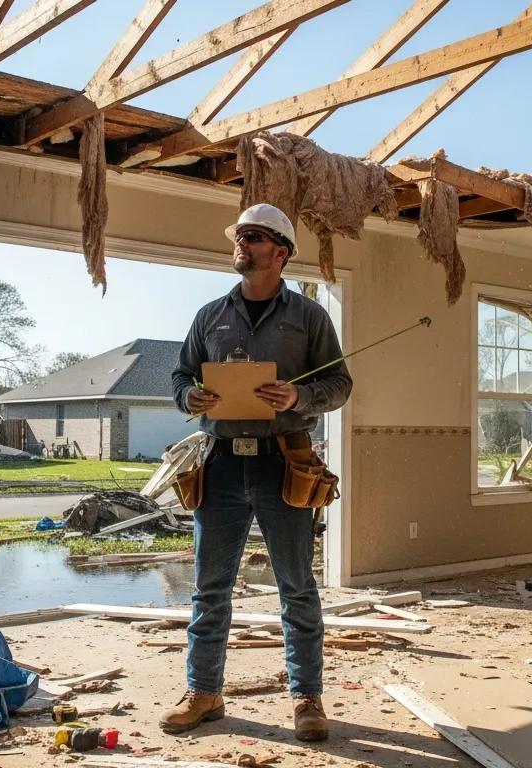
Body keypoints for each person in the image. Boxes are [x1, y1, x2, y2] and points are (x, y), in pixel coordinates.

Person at [164, 203, 352, 742]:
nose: (240, 244)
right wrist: (188, 396)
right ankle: (204, 692)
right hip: (220, 464)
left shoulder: (309, 317)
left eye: (252, 237)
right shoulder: (210, 316)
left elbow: (340, 384)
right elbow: (180, 375)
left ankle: (307, 698)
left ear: (281, 251)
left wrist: (299, 395)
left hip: (283, 462)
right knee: (209, 588)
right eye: (239, 236)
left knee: (297, 588)